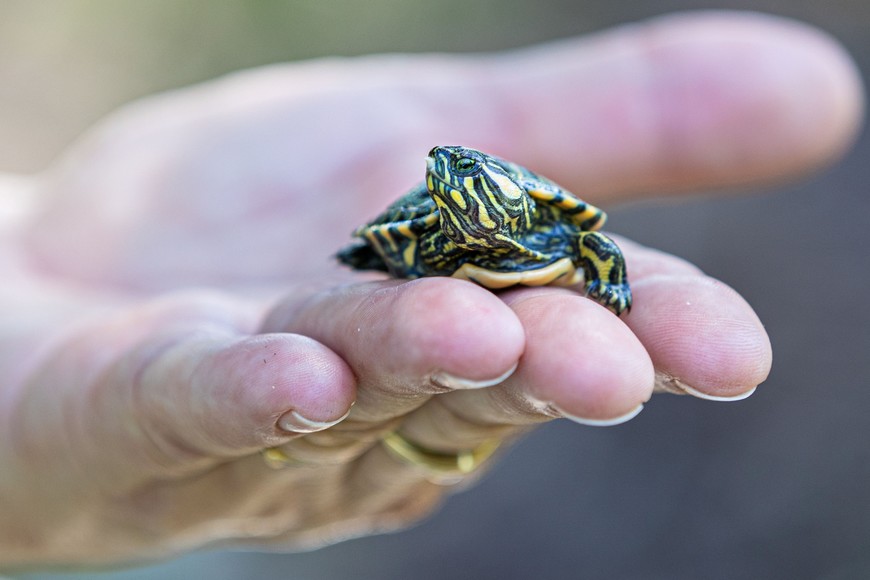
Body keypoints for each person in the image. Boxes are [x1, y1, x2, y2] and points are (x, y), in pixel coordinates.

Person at [0, 10, 862, 569]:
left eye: (463, 172)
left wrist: (612, 289)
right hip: (432, 271)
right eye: (445, 173)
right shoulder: (436, 229)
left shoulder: (547, 230)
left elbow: (589, 240)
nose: (450, 176)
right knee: (420, 323)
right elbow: (391, 239)